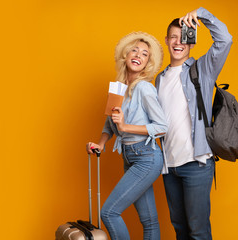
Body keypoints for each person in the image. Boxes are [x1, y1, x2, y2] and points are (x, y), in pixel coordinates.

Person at [155, 7, 233, 240]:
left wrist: (200, 15)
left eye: (184, 37)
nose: (178, 43)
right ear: (166, 40)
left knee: (198, 231)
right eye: (173, 37)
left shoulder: (202, 69)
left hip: (196, 163)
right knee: (180, 228)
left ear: (192, 40)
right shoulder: (159, 78)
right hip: (169, 166)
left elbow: (225, 39)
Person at [86, 31, 168, 240]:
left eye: (145, 54)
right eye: (135, 50)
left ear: (147, 63)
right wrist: (101, 143)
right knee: (149, 220)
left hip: (147, 157)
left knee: (109, 212)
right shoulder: (118, 88)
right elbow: (110, 121)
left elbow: (162, 126)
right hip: (129, 156)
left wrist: (126, 126)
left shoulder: (144, 88)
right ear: (126, 54)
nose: (139, 55)